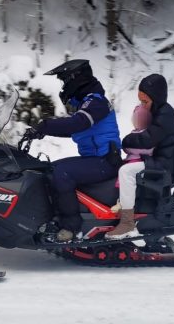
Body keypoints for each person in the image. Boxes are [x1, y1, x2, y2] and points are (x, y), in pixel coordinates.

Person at [24, 59, 122, 242]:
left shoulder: (96, 102)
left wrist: (44, 126)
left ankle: (71, 227)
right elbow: (77, 129)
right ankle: (50, 218)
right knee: (47, 170)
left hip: (105, 161)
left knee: (61, 173)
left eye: (65, 81)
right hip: (95, 160)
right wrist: (41, 132)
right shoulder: (87, 102)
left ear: (76, 79)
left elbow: (79, 123)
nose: (64, 87)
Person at [106, 73, 174, 239]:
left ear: (157, 98)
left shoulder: (165, 116)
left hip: (163, 166)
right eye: (141, 101)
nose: (143, 106)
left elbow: (146, 140)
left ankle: (127, 223)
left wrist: (125, 141)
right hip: (158, 161)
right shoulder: (160, 112)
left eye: (146, 102)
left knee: (126, 171)